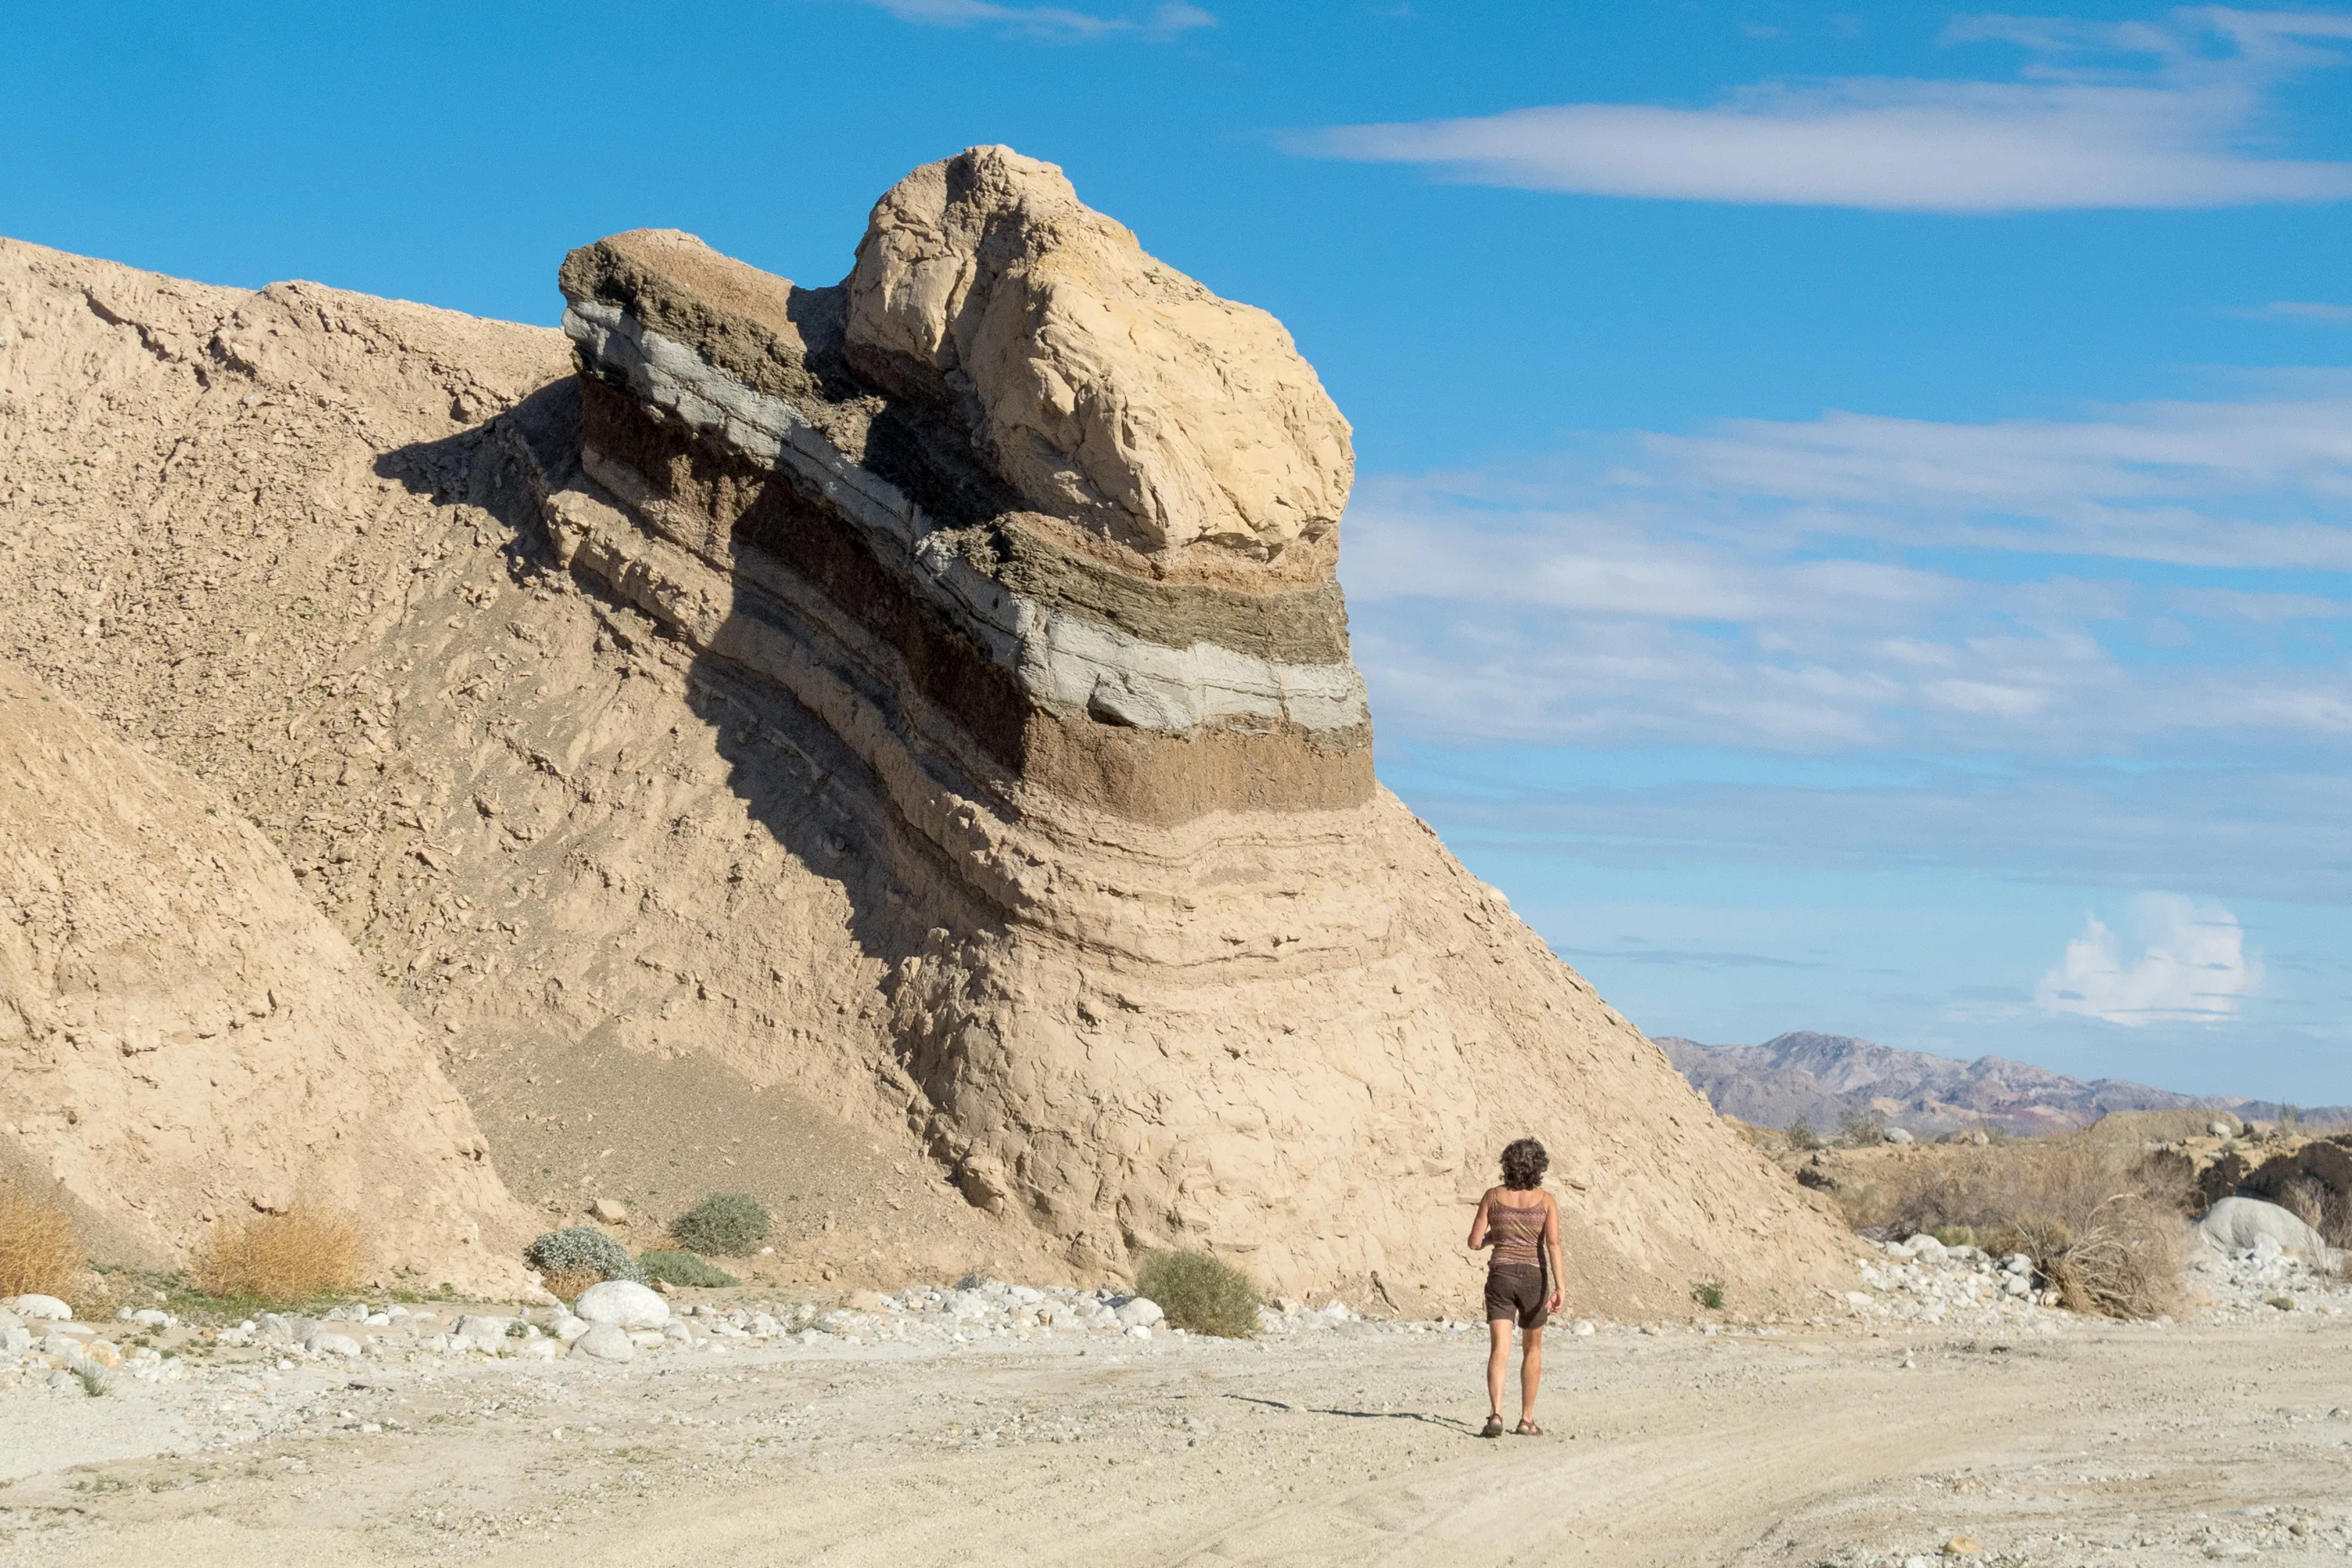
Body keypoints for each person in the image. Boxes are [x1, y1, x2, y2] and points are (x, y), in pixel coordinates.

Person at [1467, 1136, 1564, 1438]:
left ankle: (1496, 1415)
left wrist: (1498, 1236)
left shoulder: (1492, 1197)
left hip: (1501, 1275)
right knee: (1532, 1349)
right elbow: (1553, 1243)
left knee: (1500, 1348)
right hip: (1534, 1279)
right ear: (1539, 1167)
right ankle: (1526, 1419)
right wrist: (1561, 1287)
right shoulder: (1547, 1200)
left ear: (1507, 1164)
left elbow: (1474, 1242)